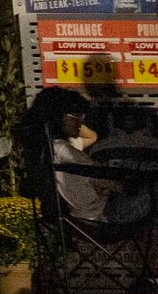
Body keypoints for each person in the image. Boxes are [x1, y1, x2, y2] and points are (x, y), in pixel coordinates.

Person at [32, 87, 153, 228]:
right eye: (75, 116)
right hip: (102, 217)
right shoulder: (65, 152)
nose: (80, 123)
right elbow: (111, 184)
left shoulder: (45, 149)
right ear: (57, 118)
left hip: (77, 218)